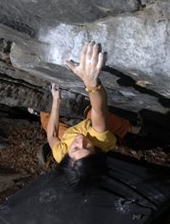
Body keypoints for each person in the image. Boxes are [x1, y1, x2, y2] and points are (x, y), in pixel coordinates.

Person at [40, 41, 141, 188]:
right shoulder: (100, 140)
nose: (81, 142)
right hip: (92, 127)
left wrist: (56, 101)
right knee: (92, 114)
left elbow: (51, 135)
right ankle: (128, 127)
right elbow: (99, 109)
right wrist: (90, 82)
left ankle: (56, 115)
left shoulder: (61, 154)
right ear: (96, 151)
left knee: (45, 119)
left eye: (75, 148)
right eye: (87, 148)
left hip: (69, 134)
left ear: (67, 155)